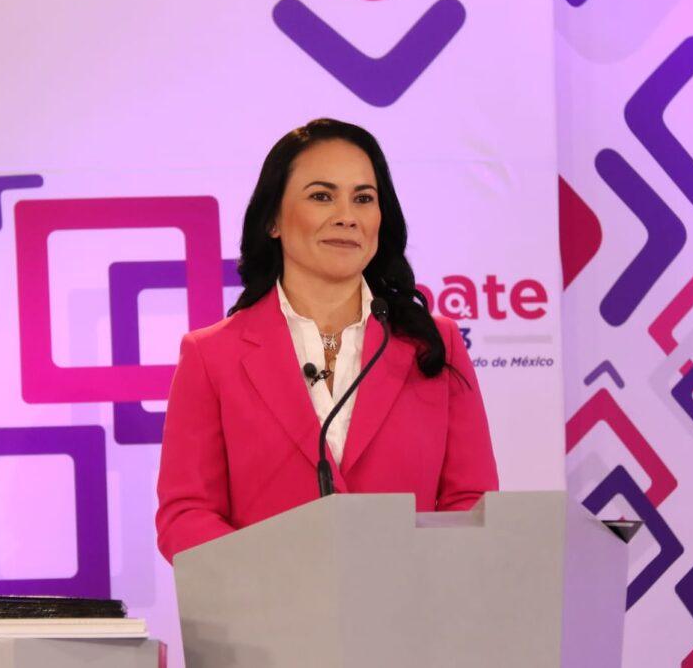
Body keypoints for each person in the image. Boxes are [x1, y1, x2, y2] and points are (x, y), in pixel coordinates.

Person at [155, 118, 498, 564]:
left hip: (412, 602)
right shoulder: (212, 355)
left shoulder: (434, 344)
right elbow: (186, 515)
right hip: (265, 603)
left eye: (363, 198)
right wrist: (270, 578)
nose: (347, 216)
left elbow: (471, 501)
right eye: (322, 196)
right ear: (273, 220)